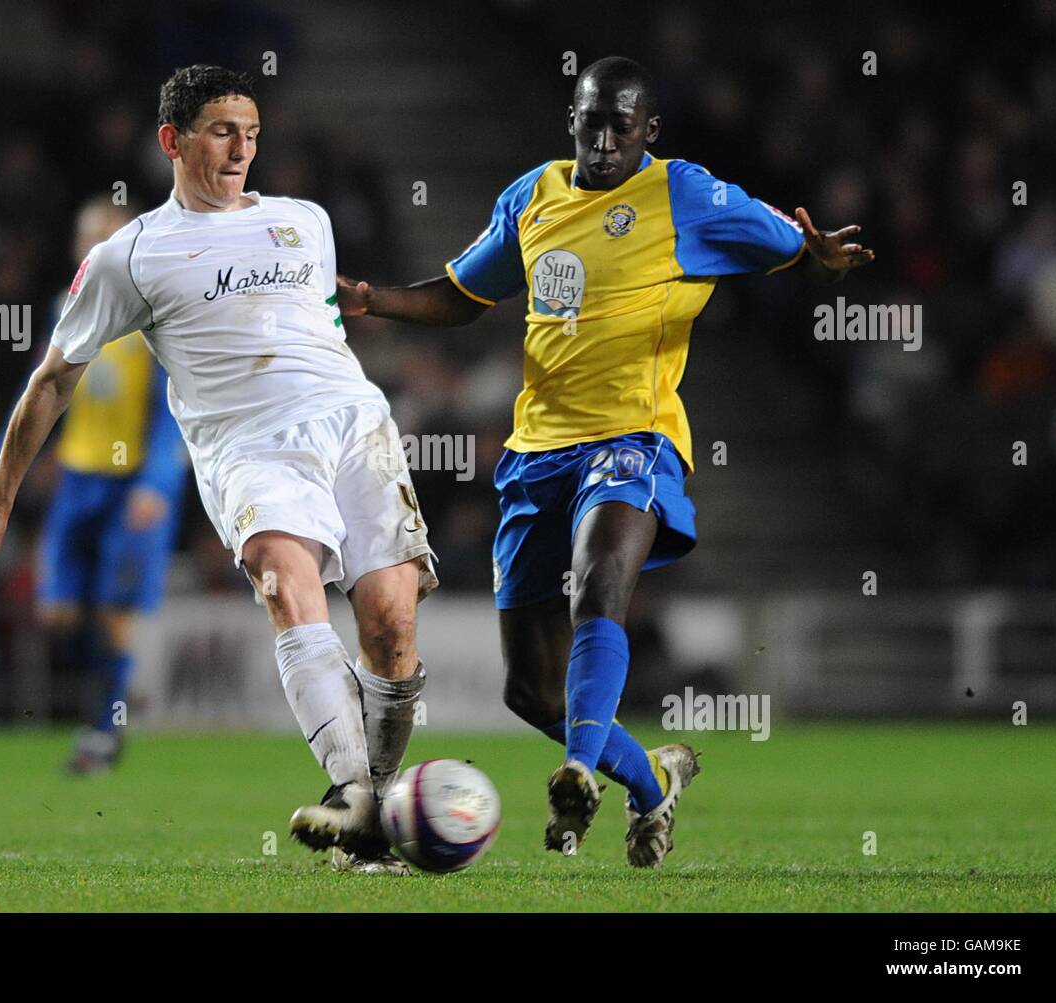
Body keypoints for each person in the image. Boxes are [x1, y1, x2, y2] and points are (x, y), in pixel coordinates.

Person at [337, 56, 873, 867]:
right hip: (536, 451)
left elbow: (781, 239)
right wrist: (377, 299)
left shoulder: (682, 193)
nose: (606, 137)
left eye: (623, 123)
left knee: (599, 587)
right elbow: (462, 293)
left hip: (636, 435)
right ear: (573, 119)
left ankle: (580, 770)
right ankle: (652, 782)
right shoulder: (533, 196)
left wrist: (814, 253)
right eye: (593, 120)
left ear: (648, 130)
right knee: (530, 690)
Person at [0, 64, 436, 874]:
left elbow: (318, 324)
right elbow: (53, 377)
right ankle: (352, 788)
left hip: (354, 424)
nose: (241, 148)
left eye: (251, 133)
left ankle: (373, 809)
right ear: (173, 140)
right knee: (284, 582)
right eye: (221, 131)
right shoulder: (130, 256)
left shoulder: (305, 221)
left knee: (391, 624)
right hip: (245, 443)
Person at [0, 197, 190, 775]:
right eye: (91, 238)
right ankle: (108, 702)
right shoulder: (66, 306)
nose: (100, 247)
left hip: (131, 488)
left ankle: (104, 731)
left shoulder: (154, 313)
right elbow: (42, 387)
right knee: (56, 612)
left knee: (111, 612)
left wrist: (157, 481)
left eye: (111, 237)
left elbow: (168, 409)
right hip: (78, 480)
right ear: (81, 248)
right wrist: (0, 459)